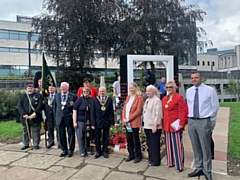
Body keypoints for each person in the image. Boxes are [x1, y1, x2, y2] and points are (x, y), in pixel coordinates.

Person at [186, 72, 219, 180]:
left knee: (205, 147)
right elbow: (189, 106)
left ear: (201, 78)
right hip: (192, 121)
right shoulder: (189, 91)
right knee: (195, 146)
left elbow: (215, 107)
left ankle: (207, 170)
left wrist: (210, 122)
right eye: (192, 78)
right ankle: (199, 167)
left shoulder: (209, 90)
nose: (194, 79)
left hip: (204, 121)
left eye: (196, 77)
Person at [162, 81, 188, 172]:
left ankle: (179, 165)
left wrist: (182, 123)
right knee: (168, 144)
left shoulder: (179, 98)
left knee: (177, 145)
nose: (169, 89)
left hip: (175, 124)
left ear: (175, 88)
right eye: (167, 87)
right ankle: (170, 161)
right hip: (166, 124)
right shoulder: (164, 98)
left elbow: (182, 111)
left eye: (171, 87)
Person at [122, 82, 143, 163]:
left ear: (135, 88)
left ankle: (138, 156)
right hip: (127, 123)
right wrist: (124, 118)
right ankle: (131, 154)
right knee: (129, 139)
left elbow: (138, 111)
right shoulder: (128, 97)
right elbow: (124, 108)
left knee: (135, 139)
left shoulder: (139, 98)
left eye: (132, 88)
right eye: (130, 88)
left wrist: (129, 119)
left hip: (134, 122)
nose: (131, 89)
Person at [91, 86, 114, 159]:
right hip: (98, 122)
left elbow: (111, 112)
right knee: (97, 138)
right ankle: (98, 152)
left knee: (105, 137)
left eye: (103, 91)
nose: (101, 93)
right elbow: (92, 113)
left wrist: (112, 122)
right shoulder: (94, 100)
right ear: (98, 92)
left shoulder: (109, 100)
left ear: (106, 92)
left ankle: (105, 151)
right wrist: (93, 123)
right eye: (100, 91)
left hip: (106, 121)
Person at [55, 82, 77, 157]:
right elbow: (55, 107)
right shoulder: (57, 96)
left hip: (69, 118)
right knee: (61, 135)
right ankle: (64, 149)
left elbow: (75, 108)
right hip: (60, 118)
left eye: (64, 87)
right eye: (61, 87)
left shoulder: (73, 96)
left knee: (71, 134)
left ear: (68, 88)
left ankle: (71, 150)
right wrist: (56, 117)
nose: (63, 88)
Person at [18, 83, 43, 150]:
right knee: (25, 131)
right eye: (28, 88)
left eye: (31, 88)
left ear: (34, 89)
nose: (30, 89)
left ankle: (35, 144)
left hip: (35, 116)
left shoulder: (38, 96)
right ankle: (26, 144)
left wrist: (35, 113)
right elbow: (20, 106)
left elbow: (40, 105)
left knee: (36, 131)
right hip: (25, 117)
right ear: (26, 89)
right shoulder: (22, 96)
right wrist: (24, 114)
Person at [143, 85, 162, 166]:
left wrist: (155, 125)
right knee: (149, 144)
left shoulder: (157, 100)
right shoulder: (147, 100)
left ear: (154, 92)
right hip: (147, 125)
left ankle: (156, 161)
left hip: (153, 126)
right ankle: (151, 159)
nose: (148, 92)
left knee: (154, 144)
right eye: (147, 91)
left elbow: (158, 114)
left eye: (150, 91)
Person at [73, 86, 93, 157]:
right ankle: (82, 151)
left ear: (89, 92)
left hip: (89, 122)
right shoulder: (79, 100)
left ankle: (88, 149)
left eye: (87, 91)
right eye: (84, 91)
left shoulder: (91, 100)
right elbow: (75, 111)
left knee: (88, 136)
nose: (85, 93)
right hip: (80, 121)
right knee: (80, 136)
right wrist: (74, 122)